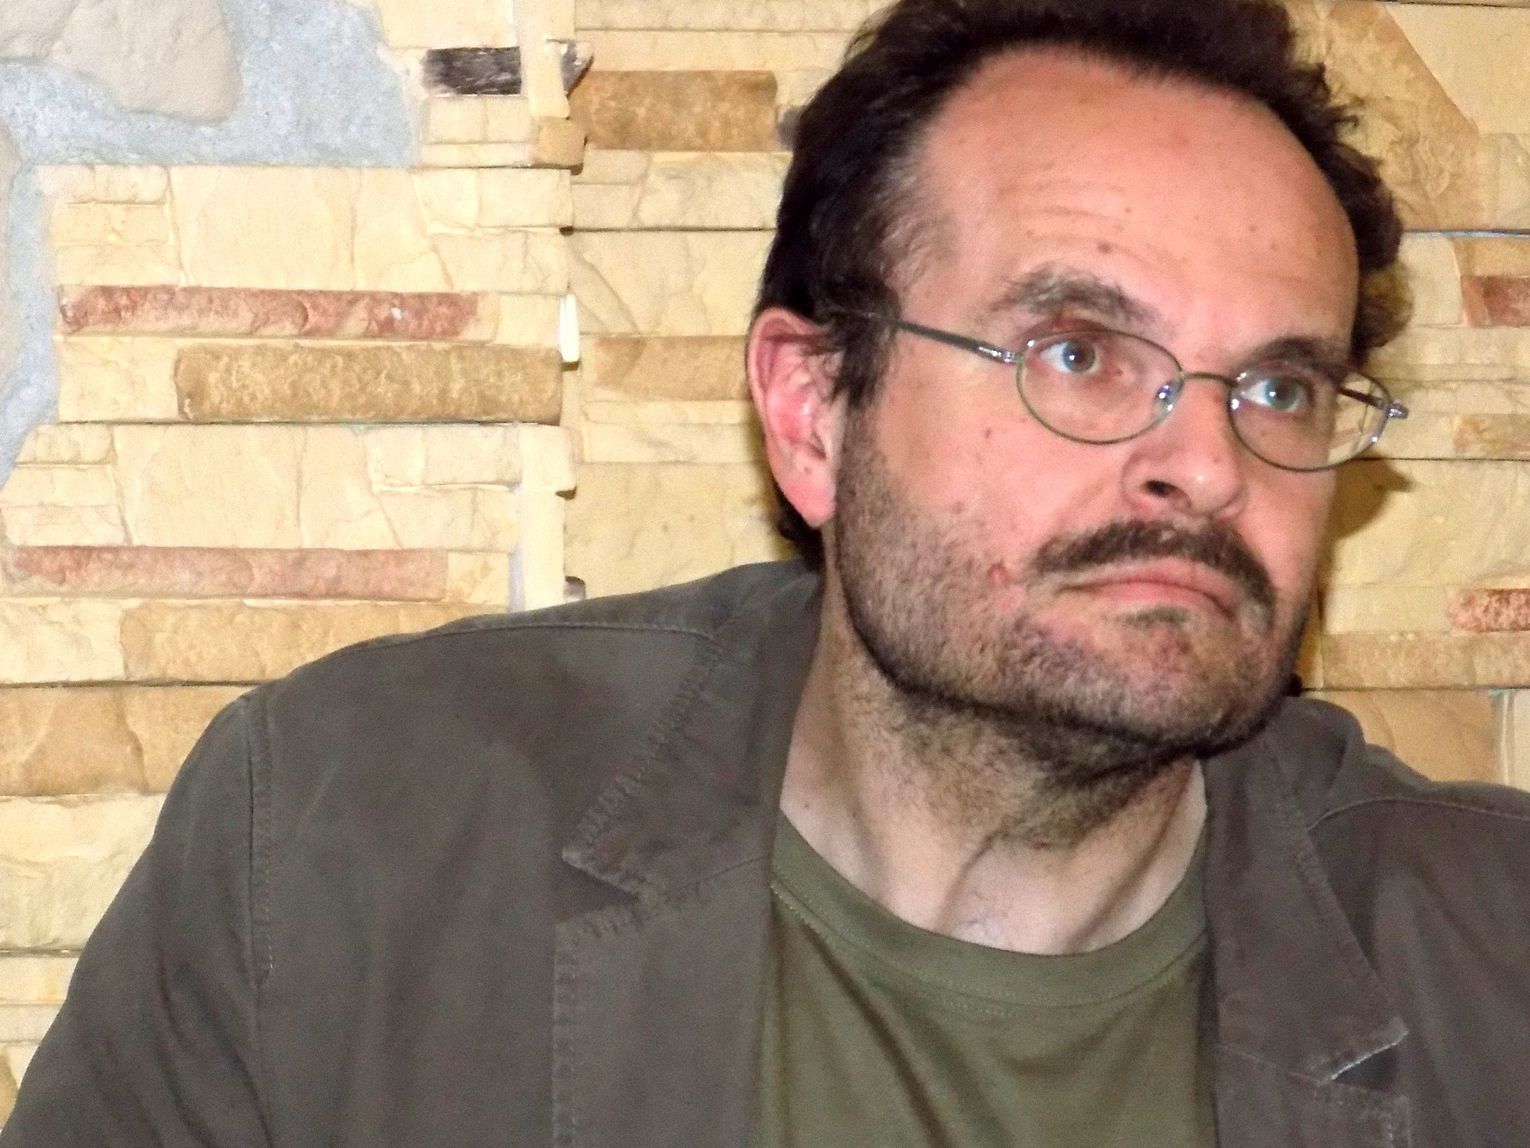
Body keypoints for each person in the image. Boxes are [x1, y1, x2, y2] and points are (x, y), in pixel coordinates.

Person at [6, 0, 1530, 1144]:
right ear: (813, 413)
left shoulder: (1493, 970)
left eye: (1275, 388)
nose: (1206, 463)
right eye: (1075, 353)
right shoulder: (348, 841)